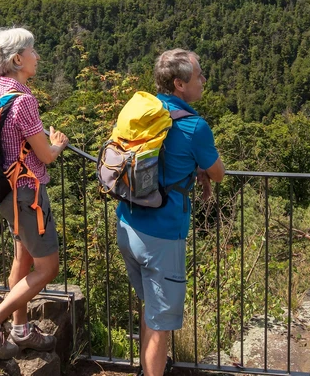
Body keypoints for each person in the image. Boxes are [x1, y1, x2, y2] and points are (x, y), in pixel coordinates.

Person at [116, 49, 226, 376]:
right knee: (161, 322)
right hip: (161, 235)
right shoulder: (195, 127)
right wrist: (201, 169)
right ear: (179, 83)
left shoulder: (143, 111)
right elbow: (218, 172)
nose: (204, 79)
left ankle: (150, 367)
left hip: (128, 223)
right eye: (199, 76)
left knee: (152, 310)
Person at [0, 26, 70, 359]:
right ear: (17, 59)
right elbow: (45, 155)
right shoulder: (23, 101)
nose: (37, 56)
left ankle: (21, 330)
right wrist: (58, 144)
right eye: (32, 51)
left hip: (5, 193)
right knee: (47, 268)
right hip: (28, 195)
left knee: (22, 259)